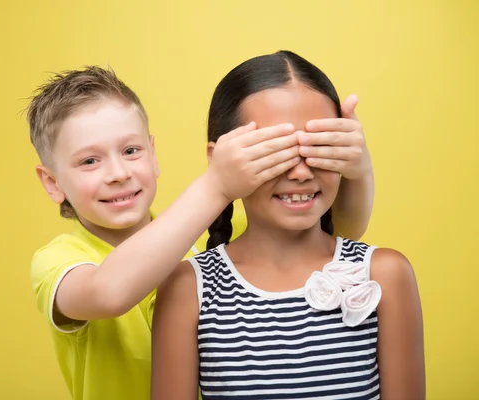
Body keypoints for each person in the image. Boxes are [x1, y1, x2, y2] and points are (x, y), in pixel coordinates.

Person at [27, 65, 376, 400]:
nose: (117, 173)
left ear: (153, 153)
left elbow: (336, 234)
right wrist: (216, 186)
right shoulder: (57, 262)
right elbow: (107, 293)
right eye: (90, 161)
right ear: (52, 183)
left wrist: (359, 170)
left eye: (131, 151)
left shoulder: (216, 239)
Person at [150, 51, 425, 400]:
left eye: (320, 147)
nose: (300, 172)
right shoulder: (188, 288)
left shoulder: (385, 275)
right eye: (274, 151)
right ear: (219, 157)